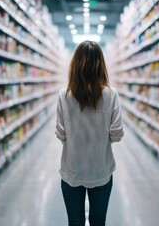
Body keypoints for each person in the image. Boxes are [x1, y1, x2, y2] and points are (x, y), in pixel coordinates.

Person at [55, 40, 124, 226]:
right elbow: (117, 133)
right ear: (101, 65)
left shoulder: (64, 95)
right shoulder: (111, 94)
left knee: (75, 222)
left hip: (72, 171)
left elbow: (61, 134)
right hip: (101, 170)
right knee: (98, 221)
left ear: (75, 65)